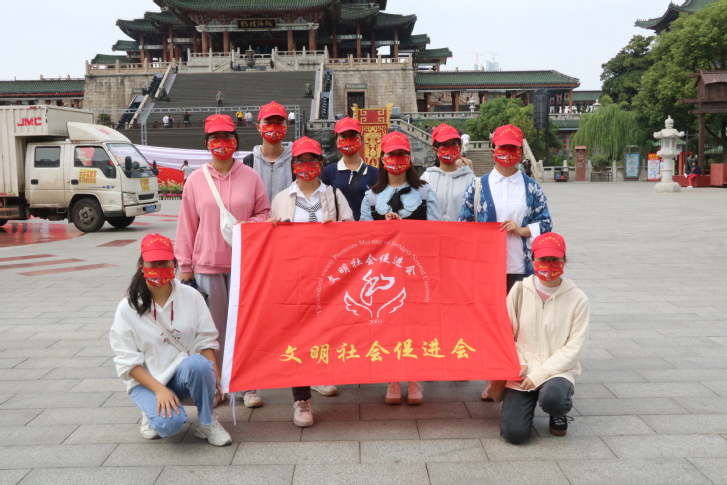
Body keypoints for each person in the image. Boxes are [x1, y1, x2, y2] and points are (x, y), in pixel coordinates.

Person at [176, 114, 270, 409]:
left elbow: (264, 213)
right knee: (212, 331)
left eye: (228, 137)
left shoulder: (250, 176)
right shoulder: (196, 180)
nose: (222, 143)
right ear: (207, 142)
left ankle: (247, 385)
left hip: (245, 265)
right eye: (215, 138)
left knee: (246, 326)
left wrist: (247, 225)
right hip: (207, 266)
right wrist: (185, 266)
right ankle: (217, 385)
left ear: (236, 141)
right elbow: (186, 224)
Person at [457, 124, 553, 401]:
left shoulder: (531, 187)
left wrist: (521, 230)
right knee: (491, 324)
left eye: (513, 148)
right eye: (503, 148)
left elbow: (546, 223)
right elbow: (464, 225)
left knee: (520, 324)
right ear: (493, 150)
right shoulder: (478, 186)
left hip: (521, 267)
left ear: (520, 151)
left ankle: (516, 372)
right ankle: (493, 376)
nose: (508, 153)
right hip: (488, 270)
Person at [110, 234, 232, 446]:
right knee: (169, 426)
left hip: (182, 375)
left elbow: (205, 340)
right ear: (141, 266)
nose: (159, 268)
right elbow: (126, 362)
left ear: (174, 264)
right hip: (146, 382)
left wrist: (216, 377)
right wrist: (159, 389)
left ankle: (207, 422)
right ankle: (150, 412)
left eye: (164, 262)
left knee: (201, 364)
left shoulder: (191, 296)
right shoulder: (128, 307)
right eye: (153, 263)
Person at [268, 136, 354, 426]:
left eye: (312, 160)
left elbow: (353, 235)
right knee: (298, 335)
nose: (306, 166)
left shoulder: (334, 196)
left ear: (321, 163)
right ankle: (301, 399)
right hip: (295, 279)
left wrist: (337, 229)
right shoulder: (282, 199)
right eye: (300, 161)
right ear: (292, 164)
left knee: (327, 330)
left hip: (330, 279)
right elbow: (271, 241)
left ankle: (321, 374)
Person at [360, 131, 441, 406]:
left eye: (401, 154)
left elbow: (437, 231)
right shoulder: (371, 197)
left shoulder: (425, 191)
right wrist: (385, 228)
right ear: (382, 158)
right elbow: (362, 239)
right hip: (385, 274)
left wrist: (406, 228)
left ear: (409, 157)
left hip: (417, 271)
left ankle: (415, 377)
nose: (396, 160)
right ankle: (393, 377)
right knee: (388, 324)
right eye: (391, 154)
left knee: (417, 324)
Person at [500, 233, 589, 444]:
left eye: (555, 259)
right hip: (523, 369)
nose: (548, 265)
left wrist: (540, 374)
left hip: (558, 370)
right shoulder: (519, 291)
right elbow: (505, 333)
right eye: (542, 259)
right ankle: (528, 401)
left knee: (553, 398)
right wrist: (519, 362)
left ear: (564, 260)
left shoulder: (578, 299)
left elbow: (574, 347)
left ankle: (558, 411)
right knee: (514, 434)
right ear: (532, 260)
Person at [320, 117, 378, 221]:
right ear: (337, 141)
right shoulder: (327, 173)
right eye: (343, 136)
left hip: (365, 228)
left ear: (361, 139)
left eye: (352, 136)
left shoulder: (375, 174)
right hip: (338, 228)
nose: (348, 140)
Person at [421, 123, 474, 221]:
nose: (450, 149)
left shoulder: (471, 180)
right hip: (433, 230)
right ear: (435, 149)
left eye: (454, 144)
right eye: (444, 145)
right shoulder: (426, 179)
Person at [243, 101, 293, 203]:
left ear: (286, 128)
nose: (273, 127)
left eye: (279, 123)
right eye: (268, 123)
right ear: (258, 127)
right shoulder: (247, 164)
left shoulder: (296, 162)